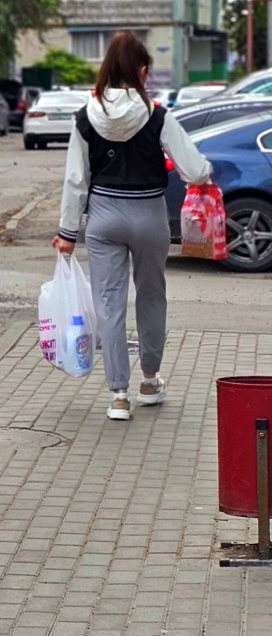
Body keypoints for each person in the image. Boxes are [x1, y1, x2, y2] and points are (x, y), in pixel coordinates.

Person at [53, 31, 210, 421]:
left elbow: (76, 180)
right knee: (152, 295)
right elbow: (193, 168)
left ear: (106, 68)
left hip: (103, 217)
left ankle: (119, 395)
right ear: (142, 70)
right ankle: (150, 381)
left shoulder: (85, 116)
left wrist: (67, 233)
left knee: (108, 303)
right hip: (149, 216)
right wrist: (205, 175)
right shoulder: (157, 115)